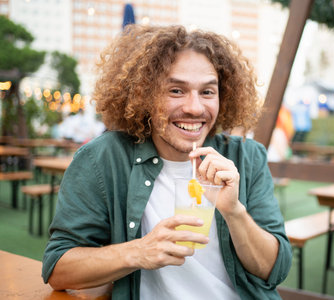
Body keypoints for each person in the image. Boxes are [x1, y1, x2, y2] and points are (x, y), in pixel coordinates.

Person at [42, 25, 292, 299]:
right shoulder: (103, 159)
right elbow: (58, 269)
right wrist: (138, 251)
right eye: (176, 90)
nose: (195, 108)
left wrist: (234, 212)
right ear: (144, 95)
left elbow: (275, 270)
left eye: (207, 92)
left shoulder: (246, 157)